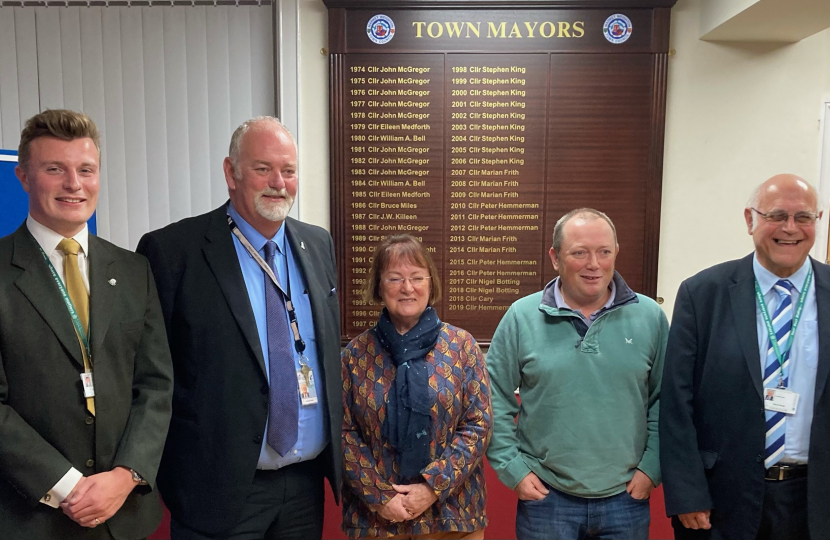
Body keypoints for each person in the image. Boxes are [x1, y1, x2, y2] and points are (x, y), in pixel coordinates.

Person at [136, 117, 341, 540]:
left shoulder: (317, 244)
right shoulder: (174, 252)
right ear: (231, 173)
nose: (278, 183)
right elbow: (152, 374)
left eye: (288, 170)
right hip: (217, 490)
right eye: (263, 168)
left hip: (304, 487)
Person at [0, 109, 173, 539]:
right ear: (23, 176)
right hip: (31, 515)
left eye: (86, 170)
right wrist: (66, 486)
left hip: (125, 514)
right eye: (55, 169)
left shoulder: (134, 270)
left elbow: (156, 384)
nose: (74, 184)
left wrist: (127, 474)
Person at [661, 174, 830, 540]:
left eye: (803, 217)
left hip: (815, 499)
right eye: (776, 215)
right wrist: (687, 492)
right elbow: (676, 401)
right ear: (749, 219)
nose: (790, 228)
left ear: (818, 221)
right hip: (722, 501)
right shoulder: (702, 294)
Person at [486, 208, 668, 540]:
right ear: (555, 257)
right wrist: (513, 470)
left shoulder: (651, 318)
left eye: (604, 252)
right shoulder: (521, 317)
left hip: (625, 499)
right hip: (546, 500)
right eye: (579, 253)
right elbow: (492, 398)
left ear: (616, 253)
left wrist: (651, 469)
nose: (594, 264)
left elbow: (665, 401)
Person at [341, 234, 491, 539]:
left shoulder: (461, 346)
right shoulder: (355, 355)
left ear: (430, 284)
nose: (407, 288)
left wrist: (432, 487)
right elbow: (342, 433)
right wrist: (381, 497)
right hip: (378, 522)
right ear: (379, 288)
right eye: (395, 278)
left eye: (416, 277)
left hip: (452, 516)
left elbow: (479, 425)